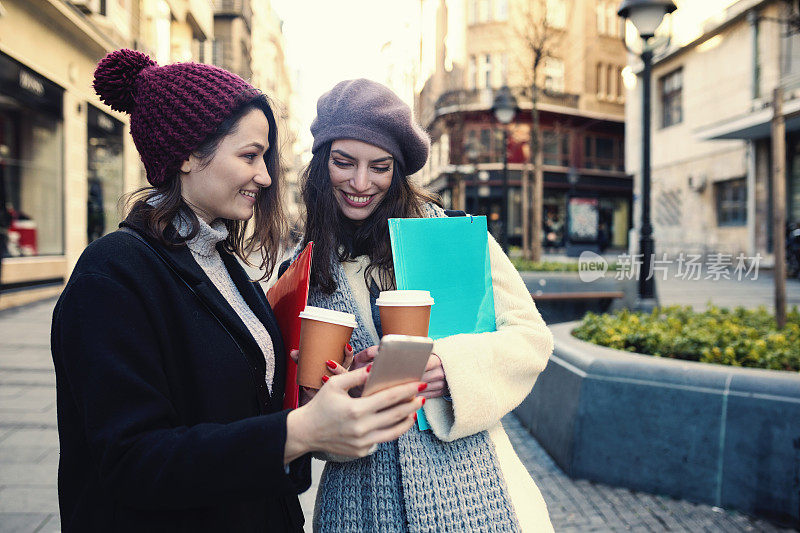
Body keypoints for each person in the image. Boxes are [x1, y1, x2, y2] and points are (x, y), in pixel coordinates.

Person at [51, 51, 423, 532]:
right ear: (186, 154)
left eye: (265, 158)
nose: (266, 176)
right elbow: (131, 461)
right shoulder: (112, 274)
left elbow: (236, 408)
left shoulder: (222, 262)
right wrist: (298, 431)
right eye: (249, 156)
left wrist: (319, 395)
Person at [285, 78, 555, 532]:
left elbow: (531, 338)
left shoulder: (450, 236)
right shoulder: (303, 268)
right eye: (343, 162)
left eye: (380, 166)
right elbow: (301, 410)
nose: (360, 182)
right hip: (359, 503)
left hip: (476, 491)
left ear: (398, 171)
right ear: (321, 162)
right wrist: (321, 401)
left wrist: (447, 366)